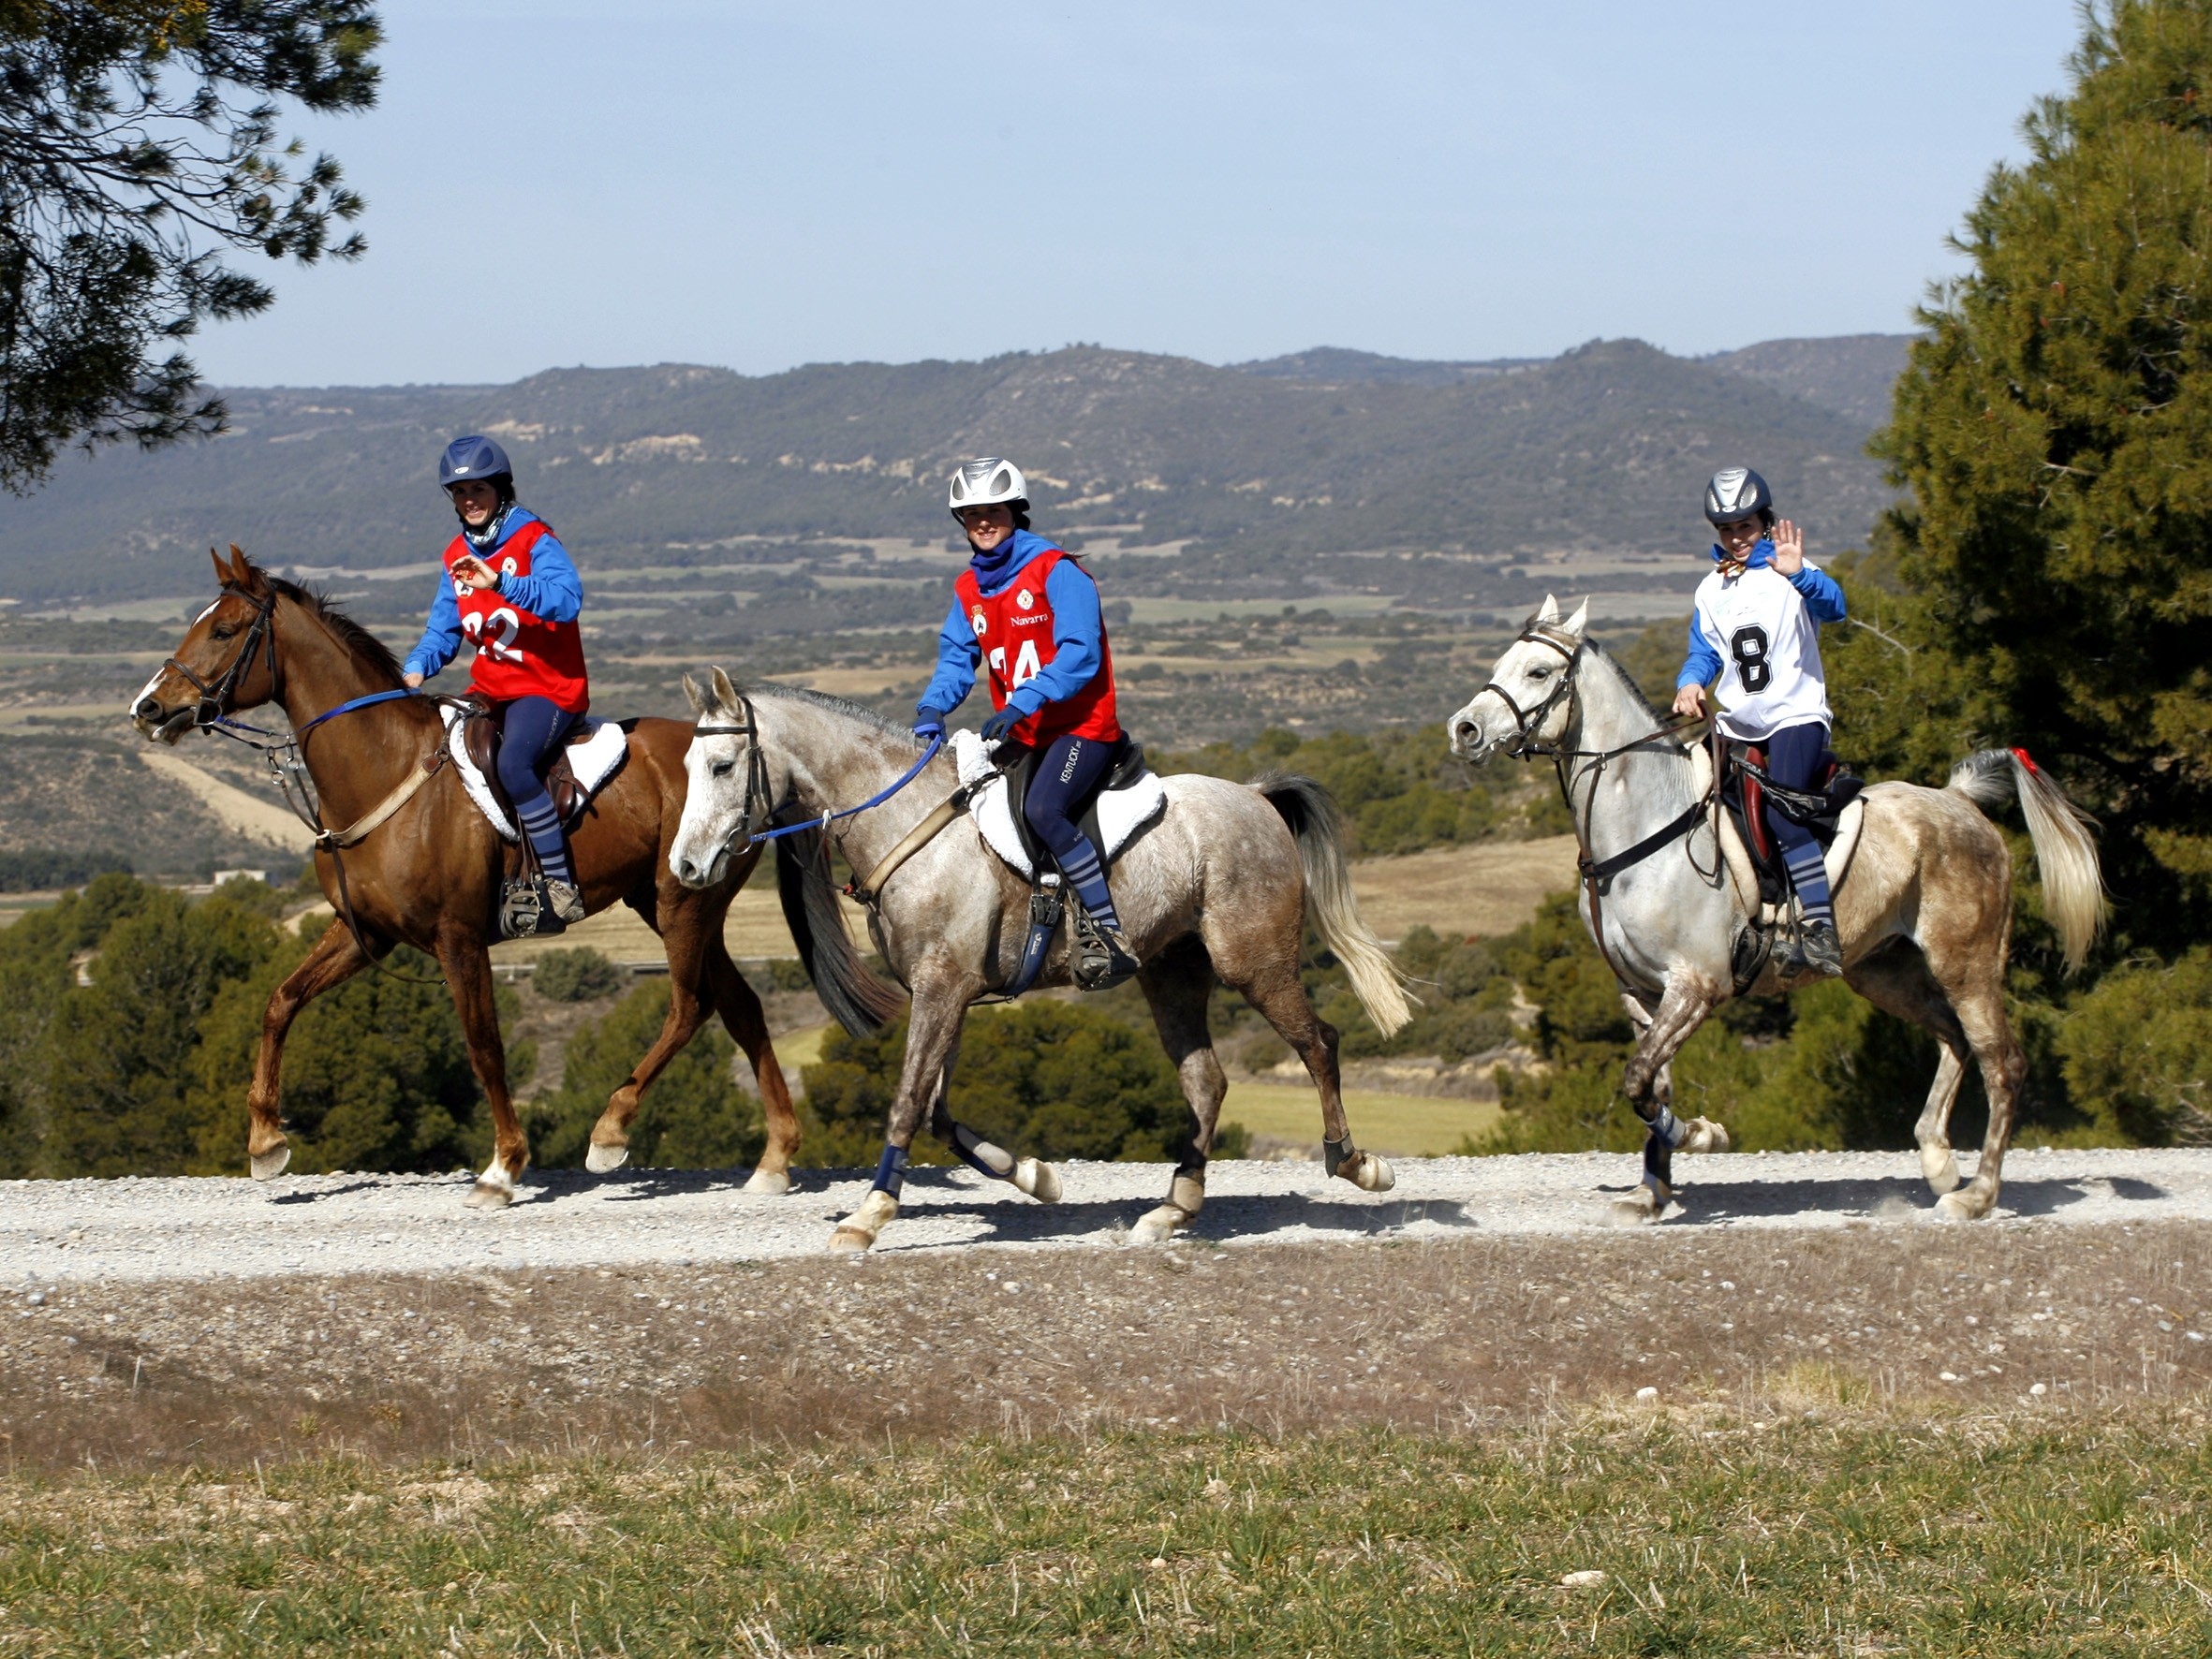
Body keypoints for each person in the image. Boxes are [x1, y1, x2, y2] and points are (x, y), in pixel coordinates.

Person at [914, 456, 1138, 984]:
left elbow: (1081, 652)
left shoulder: (1058, 570)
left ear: (1016, 511)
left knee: (1042, 810)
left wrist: (1023, 701)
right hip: (1024, 733)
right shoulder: (969, 588)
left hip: (1081, 729)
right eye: (971, 516)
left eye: (993, 511)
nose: (983, 523)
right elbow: (955, 655)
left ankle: (1108, 932)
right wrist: (932, 706)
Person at [401, 434, 591, 935]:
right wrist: (416, 667)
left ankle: (557, 883)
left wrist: (501, 583)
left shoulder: (535, 539)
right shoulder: (455, 556)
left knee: (512, 763)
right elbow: (445, 630)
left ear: (501, 490)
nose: (469, 502)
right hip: (489, 689)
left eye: (479, 490)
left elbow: (567, 599)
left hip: (548, 689)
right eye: (459, 494)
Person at [1670, 465, 1849, 976]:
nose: (1736, 538)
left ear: (1765, 523)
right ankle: (1736, 922)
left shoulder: (1793, 569)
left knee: (1780, 816)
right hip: (1738, 725)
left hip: (1796, 716)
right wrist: (1690, 683)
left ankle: (1819, 932)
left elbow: (1834, 608)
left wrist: (1800, 574)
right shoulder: (1710, 590)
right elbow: (1704, 652)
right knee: (1698, 808)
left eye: (1745, 527)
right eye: (1727, 530)